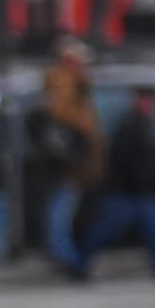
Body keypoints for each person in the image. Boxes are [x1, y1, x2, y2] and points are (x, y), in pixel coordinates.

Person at [71, 83, 155, 281]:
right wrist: (144, 177)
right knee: (104, 233)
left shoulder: (141, 123)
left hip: (138, 192)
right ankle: (79, 264)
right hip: (125, 192)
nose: (151, 106)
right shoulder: (129, 125)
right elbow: (125, 160)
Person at [33, 43, 105, 274]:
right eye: (79, 61)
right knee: (62, 206)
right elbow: (62, 112)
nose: (83, 66)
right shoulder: (62, 81)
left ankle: (66, 252)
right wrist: (84, 127)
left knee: (66, 207)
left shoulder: (75, 82)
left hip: (77, 159)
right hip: (69, 159)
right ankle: (63, 254)